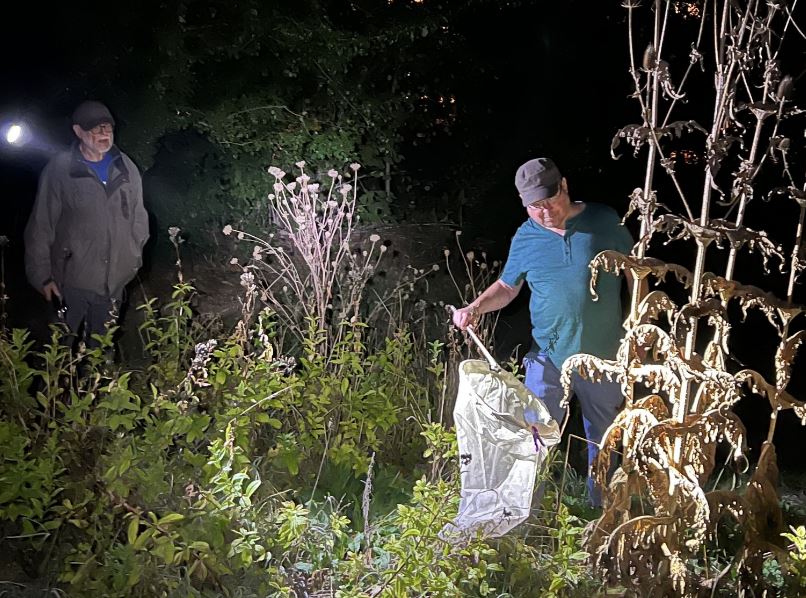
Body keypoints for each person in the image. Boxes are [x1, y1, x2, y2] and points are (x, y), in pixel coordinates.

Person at [452, 157, 633, 507]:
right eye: (535, 206)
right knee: (533, 437)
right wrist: (474, 308)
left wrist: (637, 321)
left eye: (550, 199)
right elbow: (508, 286)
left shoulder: (605, 221)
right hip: (548, 357)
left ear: (564, 186)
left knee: (607, 438)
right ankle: (523, 513)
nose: (546, 210)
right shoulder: (526, 236)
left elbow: (634, 274)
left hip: (606, 355)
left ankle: (605, 515)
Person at [24, 100, 149, 349]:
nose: (104, 133)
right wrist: (42, 276)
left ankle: (97, 388)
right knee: (58, 352)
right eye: (95, 128)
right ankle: (59, 388)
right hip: (70, 283)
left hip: (113, 283)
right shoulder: (60, 169)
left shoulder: (126, 167)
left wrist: (132, 260)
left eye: (107, 127)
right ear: (78, 131)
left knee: (101, 354)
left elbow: (139, 218)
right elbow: (41, 226)